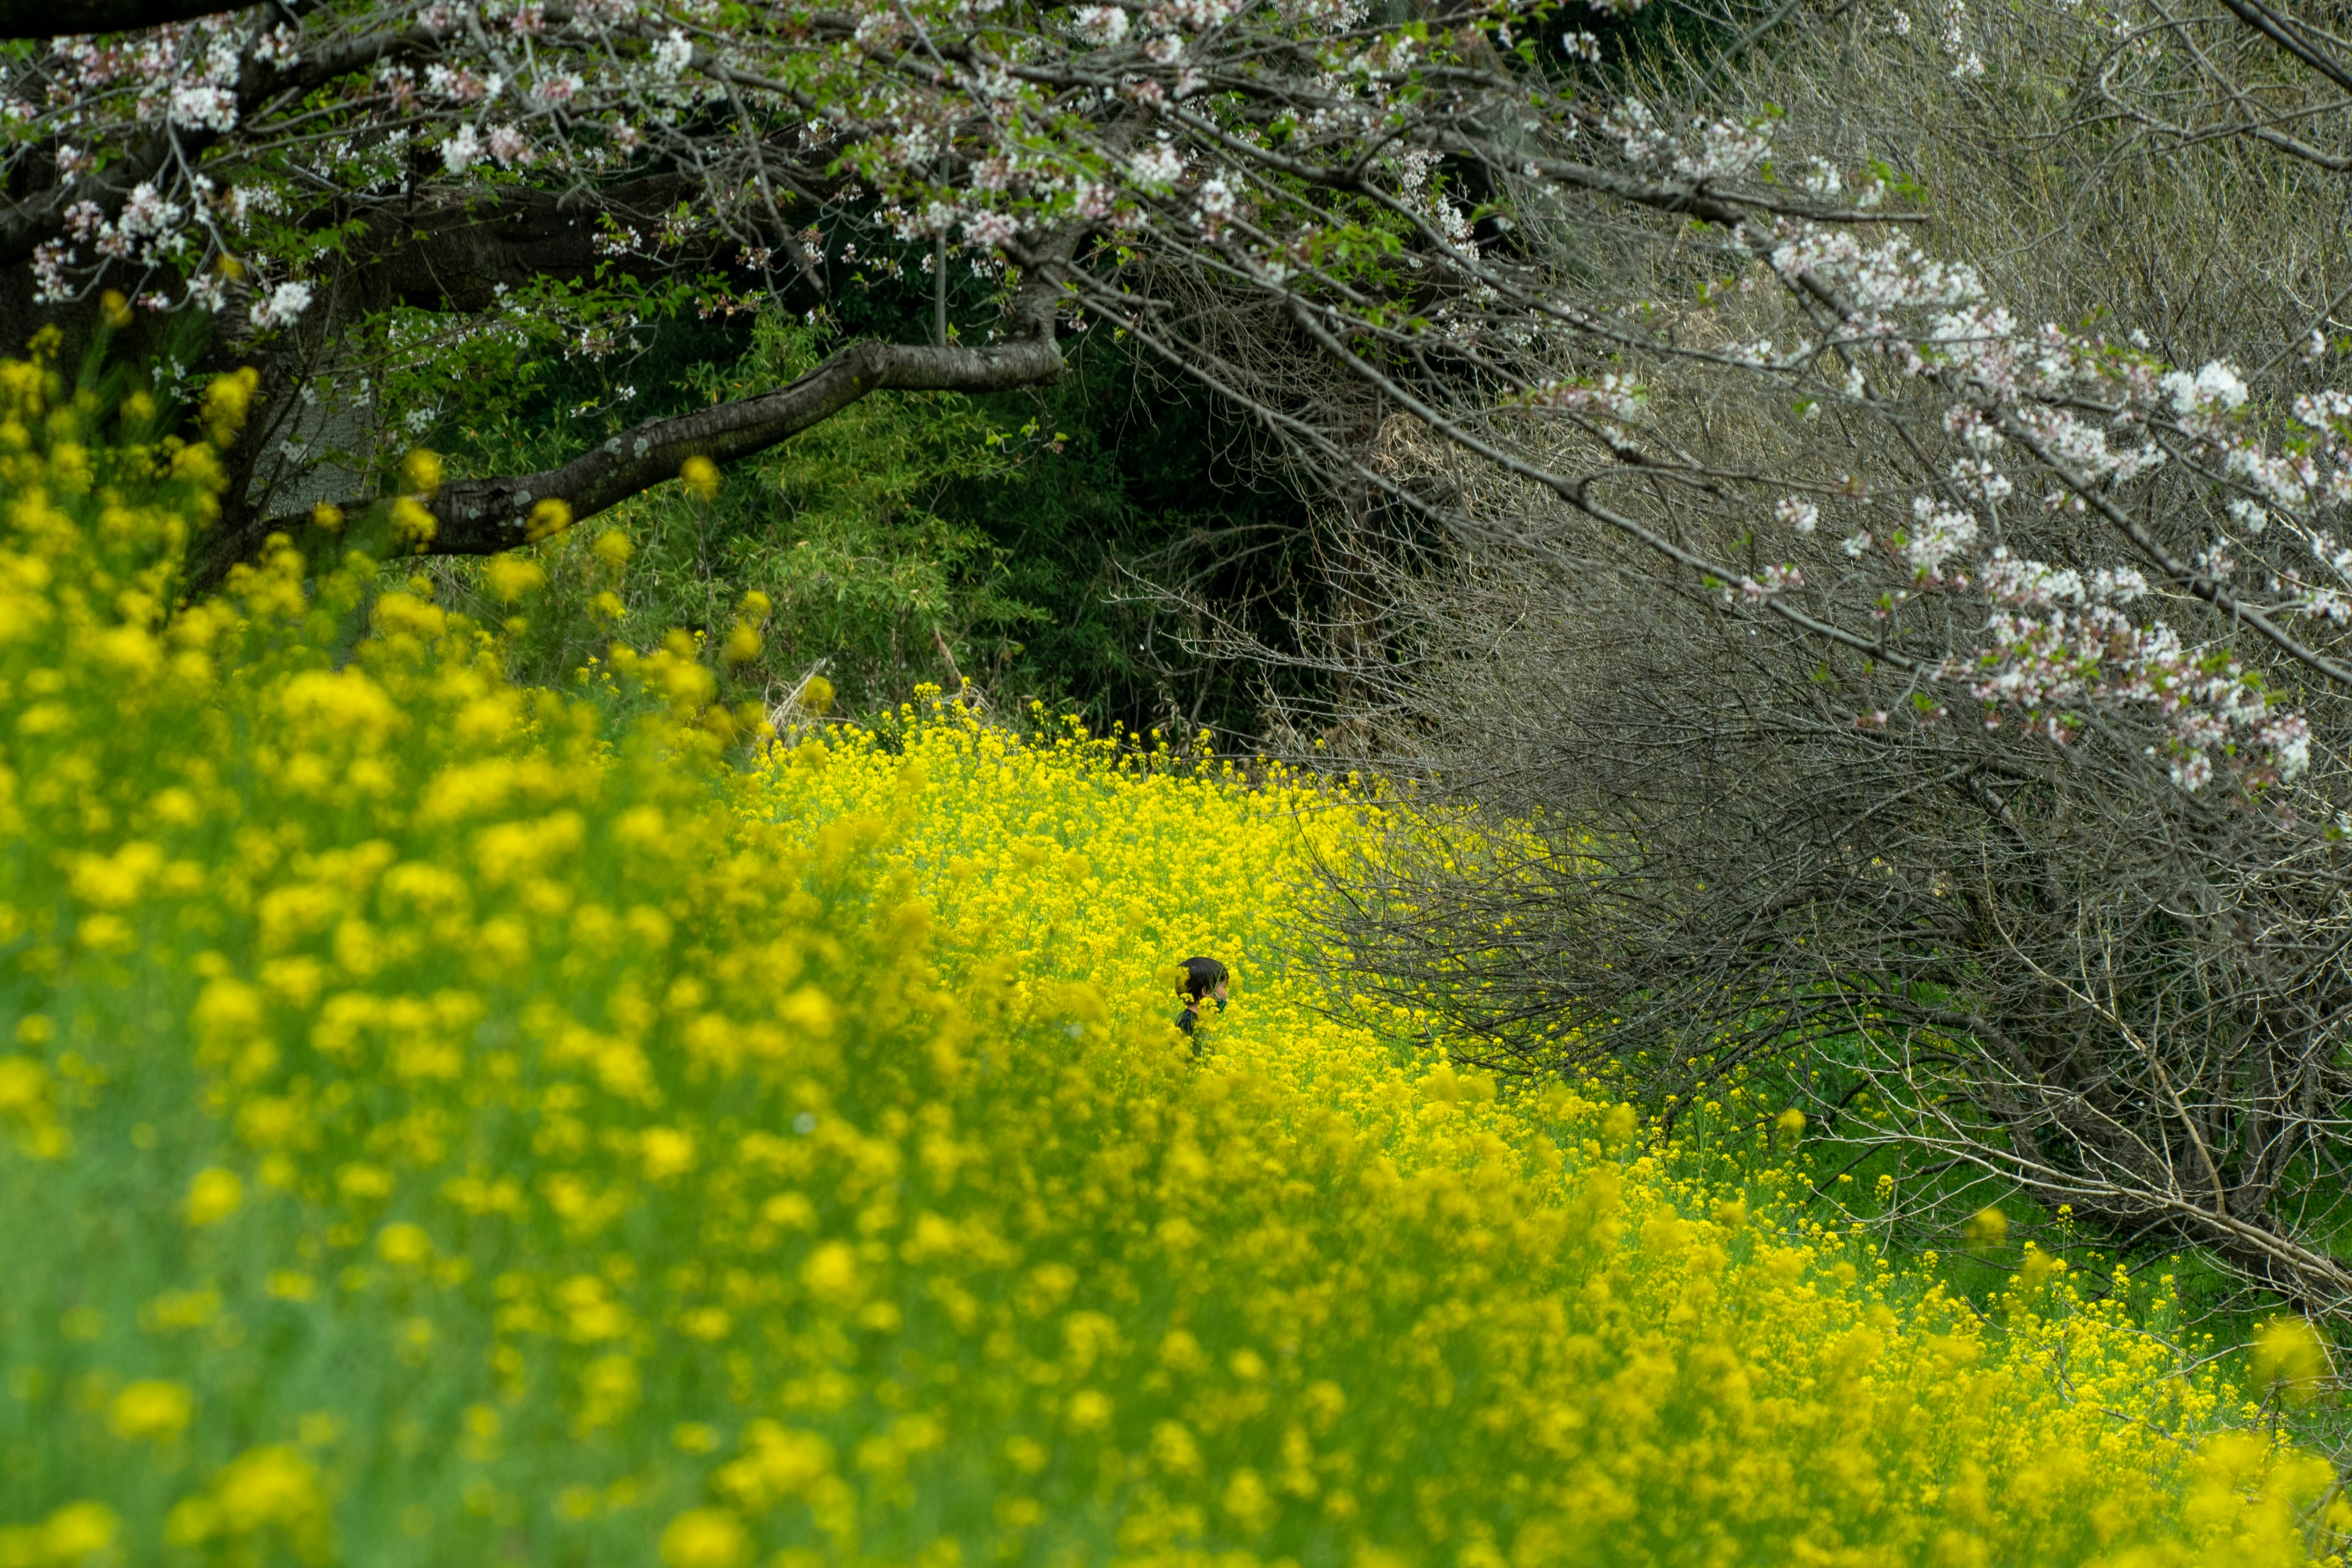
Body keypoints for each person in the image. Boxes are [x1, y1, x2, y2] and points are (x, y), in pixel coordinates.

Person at [1175, 956, 1229, 1049]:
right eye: (1224, 987)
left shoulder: (1198, 1022)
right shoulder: (1187, 1024)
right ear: (1207, 991)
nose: (1227, 994)